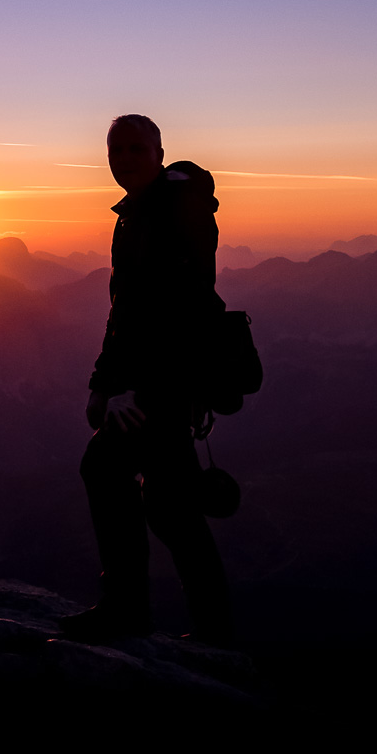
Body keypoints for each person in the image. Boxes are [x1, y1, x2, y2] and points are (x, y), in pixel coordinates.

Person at [61, 114, 234, 647]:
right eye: (117, 151)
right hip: (161, 381)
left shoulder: (170, 212)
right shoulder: (136, 214)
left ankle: (127, 609)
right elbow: (126, 313)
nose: (125, 159)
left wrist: (136, 389)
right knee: (170, 503)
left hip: (164, 381)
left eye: (137, 149)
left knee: (105, 467)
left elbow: (176, 308)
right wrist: (101, 383)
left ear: (159, 153)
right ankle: (212, 630)